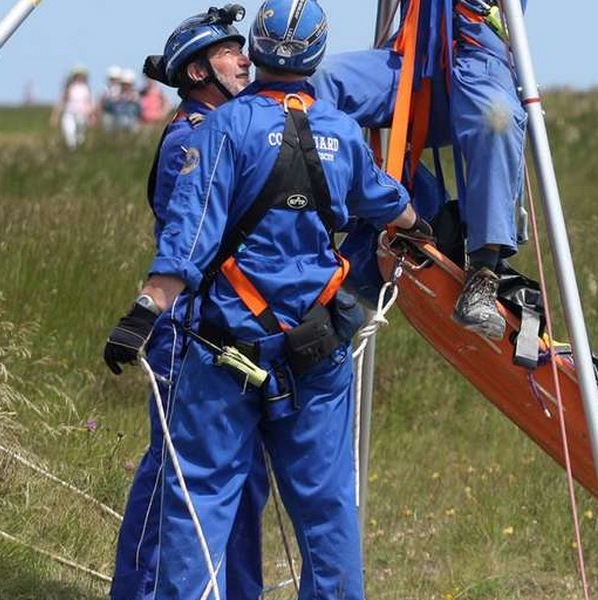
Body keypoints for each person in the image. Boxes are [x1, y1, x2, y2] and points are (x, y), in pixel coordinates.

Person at [101, 1, 427, 597]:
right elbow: (394, 205)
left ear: (259, 50)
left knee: (200, 501)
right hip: (315, 351)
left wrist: (143, 313)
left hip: (224, 349)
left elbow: (186, 242)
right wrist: (417, 224)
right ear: (317, 54)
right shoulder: (343, 132)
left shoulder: (221, 130)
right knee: (328, 511)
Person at [107, 7, 269, 600]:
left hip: (231, 331)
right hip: (187, 330)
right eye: (230, 53)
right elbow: (203, 243)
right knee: (174, 476)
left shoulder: (230, 126)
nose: (245, 58)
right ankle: (141, 592)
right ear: (199, 70)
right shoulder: (191, 139)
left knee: (243, 480)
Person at [311, 0, 528, 341]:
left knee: (496, 119)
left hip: (480, 60)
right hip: (413, 57)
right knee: (323, 84)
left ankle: (483, 271)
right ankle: (343, 218)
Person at [50, 66, 95, 149]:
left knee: (80, 135)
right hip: (69, 113)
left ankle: (79, 149)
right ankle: (72, 150)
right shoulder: (68, 88)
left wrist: (91, 115)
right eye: (78, 75)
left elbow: (89, 103)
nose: (79, 77)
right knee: (69, 133)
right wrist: (55, 116)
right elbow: (61, 102)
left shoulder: (86, 88)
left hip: (82, 115)